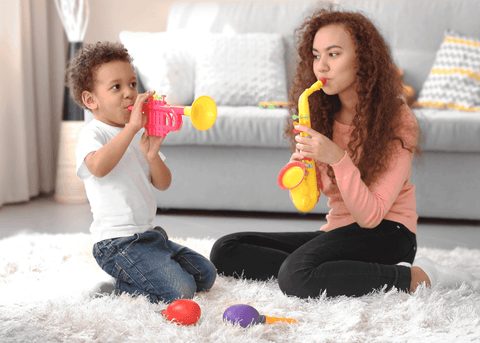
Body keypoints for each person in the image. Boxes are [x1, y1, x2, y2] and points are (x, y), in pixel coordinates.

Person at [210, 5, 478, 298]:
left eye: (333, 54)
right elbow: (310, 201)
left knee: (295, 275)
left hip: (388, 233)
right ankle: (333, 271)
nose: (321, 66)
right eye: (316, 55)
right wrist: (302, 170)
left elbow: (371, 216)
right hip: (338, 232)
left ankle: (416, 277)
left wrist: (337, 157)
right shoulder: (321, 114)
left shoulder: (397, 119)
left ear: (362, 59)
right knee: (227, 250)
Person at [70, 42, 216, 303]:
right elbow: (97, 167)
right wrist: (130, 129)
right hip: (115, 244)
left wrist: (151, 155)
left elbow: (163, 183)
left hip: (149, 236)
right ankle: (119, 287)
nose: (129, 93)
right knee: (181, 291)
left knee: (206, 275)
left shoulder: (138, 133)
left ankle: (132, 276)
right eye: (116, 87)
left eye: (133, 84)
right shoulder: (94, 133)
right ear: (91, 100)